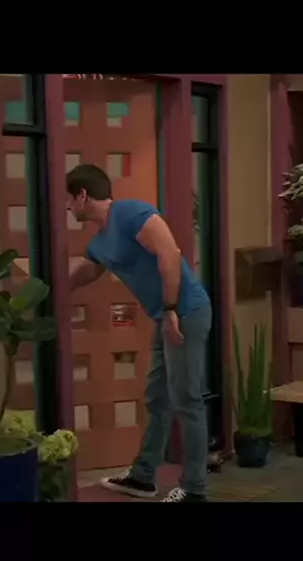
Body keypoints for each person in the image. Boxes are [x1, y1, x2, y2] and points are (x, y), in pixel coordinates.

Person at [67, 164, 212, 503]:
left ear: (83, 195)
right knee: (157, 399)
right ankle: (143, 477)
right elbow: (87, 270)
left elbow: (170, 253)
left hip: (185, 312)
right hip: (164, 317)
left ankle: (194, 489)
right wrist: (49, 290)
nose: (68, 207)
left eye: (69, 199)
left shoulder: (131, 213)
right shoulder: (101, 241)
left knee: (187, 400)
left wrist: (171, 308)